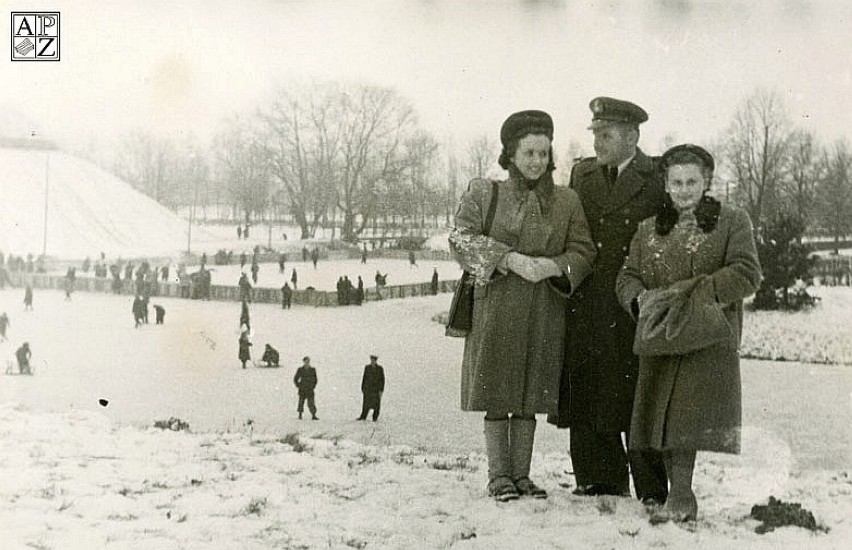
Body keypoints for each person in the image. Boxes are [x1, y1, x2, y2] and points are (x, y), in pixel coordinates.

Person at [449, 110, 595, 501]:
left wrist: (552, 266)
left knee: (532, 392)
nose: (536, 161)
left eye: (543, 153)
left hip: (546, 309)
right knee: (498, 391)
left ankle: (522, 475)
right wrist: (508, 259)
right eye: (528, 152)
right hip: (496, 308)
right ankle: (499, 476)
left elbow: (584, 251)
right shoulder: (485, 192)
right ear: (510, 154)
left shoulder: (567, 200)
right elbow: (459, 238)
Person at [615, 144, 762, 522]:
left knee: (686, 417)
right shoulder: (648, 230)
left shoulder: (732, 221)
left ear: (707, 182)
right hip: (662, 334)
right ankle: (675, 495)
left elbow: (747, 273)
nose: (683, 189)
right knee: (659, 414)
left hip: (706, 335)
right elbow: (628, 275)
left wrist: (696, 296)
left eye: (691, 181)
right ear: (665, 184)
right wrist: (639, 301)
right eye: (676, 182)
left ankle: (681, 495)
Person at [550, 97, 670, 503]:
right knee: (589, 388)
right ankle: (599, 481)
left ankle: (652, 488)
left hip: (632, 304)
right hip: (586, 304)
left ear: (633, 136)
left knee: (640, 393)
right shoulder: (582, 174)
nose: (598, 141)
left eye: (606, 134)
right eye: (596, 134)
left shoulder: (658, 177)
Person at [357, 354, 385, 421]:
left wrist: (381, 390)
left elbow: (382, 380)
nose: (372, 361)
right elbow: (364, 378)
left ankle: (375, 417)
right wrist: (363, 388)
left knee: (376, 405)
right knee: (366, 404)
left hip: (376, 390)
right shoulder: (367, 368)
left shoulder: (380, 369)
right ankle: (363, 416)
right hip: (368, 389)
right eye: (371, 360)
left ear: (376, 361)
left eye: (374, 360)